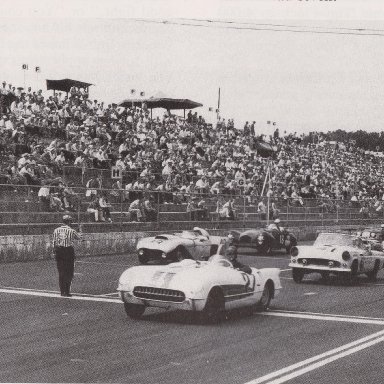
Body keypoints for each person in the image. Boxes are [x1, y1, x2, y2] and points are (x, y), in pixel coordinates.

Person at [52, 215, 82, 297]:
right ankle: (67, 291)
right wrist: (80, 229)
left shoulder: (56, 230)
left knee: (61, 272)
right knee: (69, 272)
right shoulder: (71, 231)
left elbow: (54, 242)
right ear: (69, 222)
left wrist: (54, 252)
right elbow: (80, 238)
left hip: (59, 251)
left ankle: (62, 291)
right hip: (68, 251)